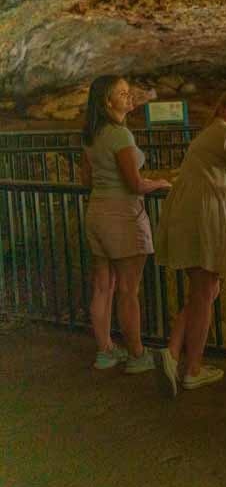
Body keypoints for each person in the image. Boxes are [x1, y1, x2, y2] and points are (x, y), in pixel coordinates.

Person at [153, 91, 226, 398]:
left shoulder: (209, 133)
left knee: (204, 290)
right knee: (205, 291)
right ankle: (192, 369)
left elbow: (224, 173)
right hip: (207, 214)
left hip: (188, 210)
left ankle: (173, 352)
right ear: (223, 108)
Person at [79, 75, 171, 373]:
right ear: (107, 102)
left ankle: (105, 351)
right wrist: (160, 182)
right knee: (129, 290)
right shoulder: (120, 136)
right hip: (122, 215)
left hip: (97, 212)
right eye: (122, 93)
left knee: (103, 287)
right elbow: (134, 183)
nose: (129, 96)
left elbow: (86, 179)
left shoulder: (92, 134)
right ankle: (136, 355)